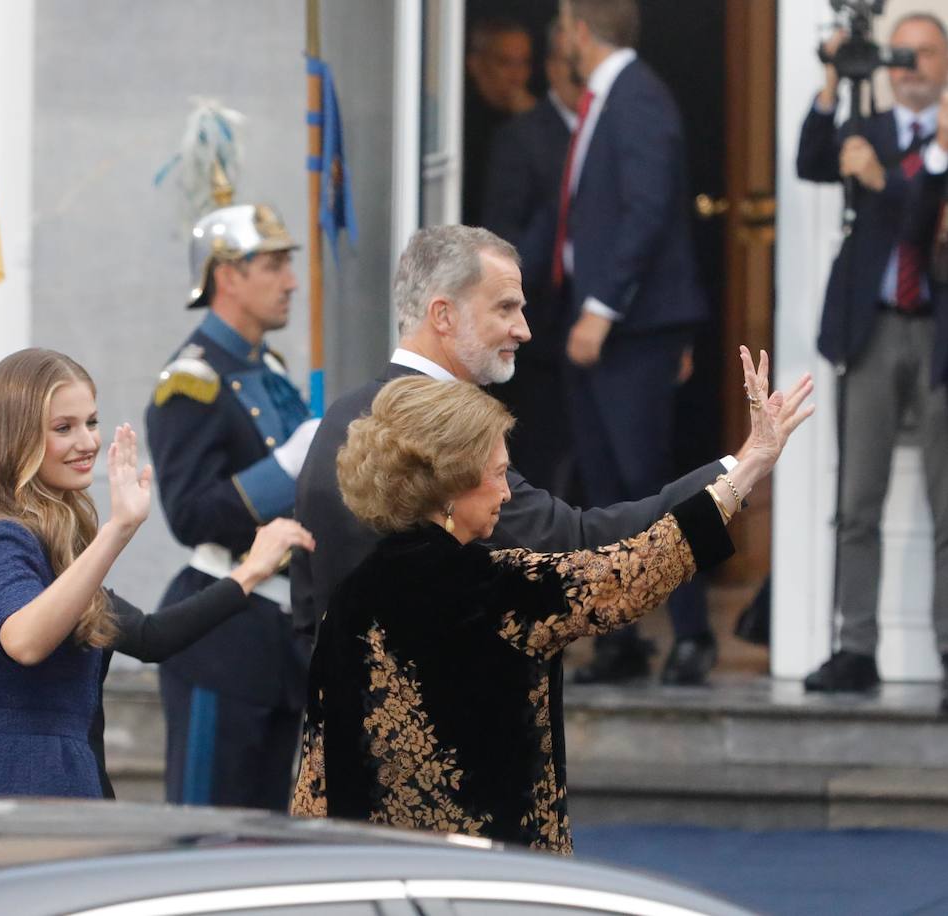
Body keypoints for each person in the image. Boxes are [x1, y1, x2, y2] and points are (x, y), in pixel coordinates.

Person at [292, 354, 811, 852]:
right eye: (498, 474)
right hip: (483, 871)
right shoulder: (497, 587)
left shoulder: (350, 598)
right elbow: (629, 572)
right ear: (451, 484)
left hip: (379, 869)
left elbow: (317, 773)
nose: (505, 494)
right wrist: (748, 468)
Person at [290, 226, 810, 653]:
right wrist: (741, 470)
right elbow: (579, 545)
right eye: (505, 308)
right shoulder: (442, 433)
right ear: (443, 315)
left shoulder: (338, 417)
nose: (525, 330)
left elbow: (306, 607)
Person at [0, 349, 312, 798]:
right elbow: (23, 641)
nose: (87, 442)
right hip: (17, 787)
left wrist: (251, 573)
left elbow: (148, 636)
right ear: (16, 439)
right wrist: (118, 529)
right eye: (64, 428)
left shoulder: (53, 542)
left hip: (64, 778)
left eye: (91, 422)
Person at [554, 0, 713, 684]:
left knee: (659, 489)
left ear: (582, 31)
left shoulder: (638, 97)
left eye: (562, 25)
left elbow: (649, 213)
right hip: (607, 328)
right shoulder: (605, 99)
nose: (559, 38)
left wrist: (599, 309)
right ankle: (621, 639)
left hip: (631, 330)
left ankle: (696, 634)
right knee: (609, 492)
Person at [145, 203, 320, 811]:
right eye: (273, 265)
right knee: (206, 830)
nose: (291, 281)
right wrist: (285, 469)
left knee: (268, 840)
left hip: (280, 636)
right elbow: (190, 514)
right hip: (221, 635)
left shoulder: (267, 368)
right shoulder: (190, 381)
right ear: (228, 276)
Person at [797, 15, 948, 708]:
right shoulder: (873, 128)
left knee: (947, 505)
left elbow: (921, 214)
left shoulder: (938, 144)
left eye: (924, 52)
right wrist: (832, 78)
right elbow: (809, 158)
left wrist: (881, 178)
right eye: (900, 53)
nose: (909, 64)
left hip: (939, 333)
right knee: (858, 501)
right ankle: (855, 646)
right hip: (874, 329)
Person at [483, 16, 583, 493]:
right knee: (544, 464)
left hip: (604, 332)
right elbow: (502, 246)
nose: (581, 74)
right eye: (570, 63)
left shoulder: (614, 126)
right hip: (539, 328)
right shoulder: (520, 138)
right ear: (552, 68)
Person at [463, 17, 537, 225]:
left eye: (524, 63)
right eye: (504, 63)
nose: (517, 76)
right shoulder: (459, 123)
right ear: (475, 65)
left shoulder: (532, 117)